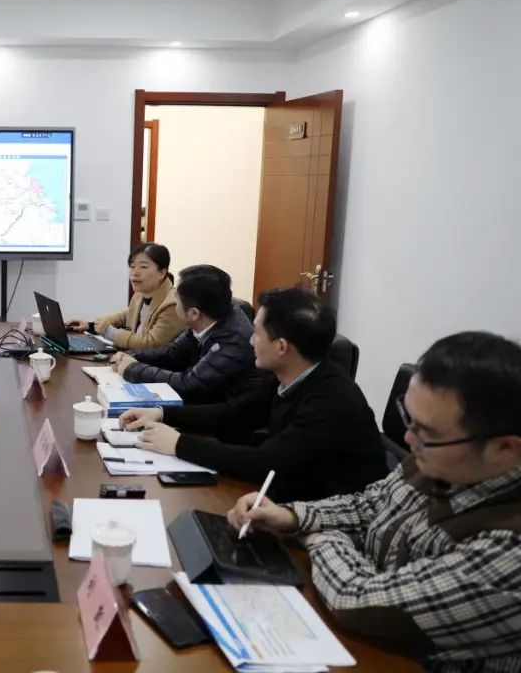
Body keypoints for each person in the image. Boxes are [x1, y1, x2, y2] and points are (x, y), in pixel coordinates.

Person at [227, 331, 521, 670]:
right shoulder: (444, 461)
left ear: (505, 448)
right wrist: (290, 515)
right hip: (362, 641)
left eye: (427, 433)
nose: (408, 438)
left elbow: (357, 599)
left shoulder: (508, 551)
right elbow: (370, 504)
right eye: (409, 420)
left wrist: (320, 535)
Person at [120, 287, 385, 501]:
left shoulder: (331, 401)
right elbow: (233, 413)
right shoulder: (286, 375)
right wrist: (162, 413)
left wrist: (179, 444)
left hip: (327, 516)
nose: (250, 340)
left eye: (257, 333)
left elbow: (267, 463)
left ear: (281, 347)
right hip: (290, 493)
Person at [111, 264, 268, 403]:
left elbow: (189, 385)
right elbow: (173, 353)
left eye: (177, 301)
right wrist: (132, 356)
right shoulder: (208, 317)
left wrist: (133, 369)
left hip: (226, 418)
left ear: (193, 313)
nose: (174, 304)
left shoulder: (233, 339)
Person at [68, 242, 182, 350]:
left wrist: (109, 332)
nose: (135, 272)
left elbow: (151, 344)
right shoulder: (140, 294)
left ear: (161, 273)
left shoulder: (173, 304)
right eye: (132, 266)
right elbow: (127, 316)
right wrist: (91, 326)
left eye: (143, 267)